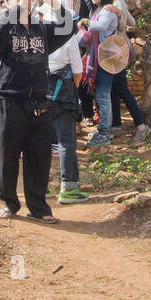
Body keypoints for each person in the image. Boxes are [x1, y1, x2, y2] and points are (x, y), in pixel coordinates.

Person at [0, 0, 59, 221]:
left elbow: (67, 28)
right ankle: (10, 203)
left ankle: (39, 208)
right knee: (9, 154)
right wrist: (17, 8)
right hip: (10, 99)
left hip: (39, 100)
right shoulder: (2, 24)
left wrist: (55, 3)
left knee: (39, 155)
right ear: (9, 2)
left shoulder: (41, 28)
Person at [96, 0, 150, 144]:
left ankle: (141, 125)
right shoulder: (114, 1)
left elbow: (125, 24)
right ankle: (116, 124)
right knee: (115, 89)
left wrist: (119, 14)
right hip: (112, 52)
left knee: (121, 89)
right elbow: (132, 21)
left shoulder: (118, 2)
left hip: (117, 52)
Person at [47, 22, 89, 202]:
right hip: (63, 96)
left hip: (40, 95)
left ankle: (40, 187)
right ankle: (69, 188)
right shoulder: (69, 39)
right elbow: (78, 72)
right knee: (66, 141)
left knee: (40, 142)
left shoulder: (39, 36)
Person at [84, 0, 119, 146]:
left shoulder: (108, 10)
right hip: (99, 57)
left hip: (107, 58)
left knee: (103, 96)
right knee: (101, 96)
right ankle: (103, 130)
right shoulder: (97, 9)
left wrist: (87, 23)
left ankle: (104, 133)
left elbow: (102, 26)